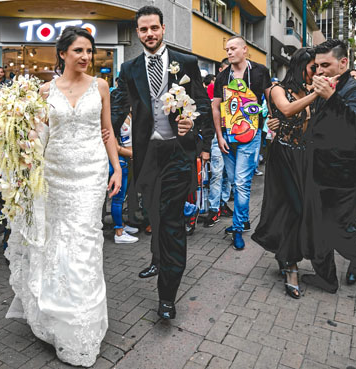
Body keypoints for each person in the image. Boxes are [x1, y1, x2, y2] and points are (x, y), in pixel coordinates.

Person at [4, 27, 122, 367]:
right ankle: (56, 319)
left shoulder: (100, 86)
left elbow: (107, 130)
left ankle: (83, 325)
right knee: (57, 242)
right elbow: (39, 137)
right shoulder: (44, 90)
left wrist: (115, 167)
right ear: (63, 53)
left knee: (84, 242)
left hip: (90, 173)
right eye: (79, 51)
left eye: (90, 51)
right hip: (55, 175)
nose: (86, 57)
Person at [111, 6, 213, 320]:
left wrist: (193, 129)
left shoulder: (187, 62)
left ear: (163, 28)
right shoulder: (129, 69)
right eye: (143, 30)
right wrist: (101, 141)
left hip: (176, 155)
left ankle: (167, 297)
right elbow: (117, 109)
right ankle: (157, 258)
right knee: (152, 214)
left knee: (171, 224)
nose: (149, 34)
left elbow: (203, 106)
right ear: (138, 33)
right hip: (146, 157)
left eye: (154, 28)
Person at [301, 39, 356, 293]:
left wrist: (331, 96)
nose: (319, 71)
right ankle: (327, 278)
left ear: (343, 63)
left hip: (345, 176)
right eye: (317, 66)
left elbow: (355, 127)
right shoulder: (321, 86)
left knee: (338, 230)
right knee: (317, 229)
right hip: (318, 170)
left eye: (326, 65)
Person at [252, 48, 319, 299]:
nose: (316, 72)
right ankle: (291, 267)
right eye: (313, 67)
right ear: (301, 66)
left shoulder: (311, 91)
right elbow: (287, 110)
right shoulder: (281, 89)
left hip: (305, 158)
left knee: (300, 211)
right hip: (284, 157)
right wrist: (316, 95)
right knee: (295, 209)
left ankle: (286, 255)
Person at [212, 35, 271, 250]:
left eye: (233, 48)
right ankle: (242, 220)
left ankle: (237, 229)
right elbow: (215, 107)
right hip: (228, 136)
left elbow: (269, 97)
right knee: (234, 182)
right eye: (227, 49)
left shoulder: (259, 71)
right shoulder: (222, 77)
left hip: (250, 134)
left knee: (242, 183)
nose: (229, 52)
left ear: (245, 50)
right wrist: (219, 135)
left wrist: (271, 124)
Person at [205, 59, 232, 228]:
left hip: (232, 136)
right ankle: (214, 209)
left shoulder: (238, 88)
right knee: (216, 173)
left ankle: (222, 204)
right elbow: (208, 119)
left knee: (228, 175)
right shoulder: (215, 89)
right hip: (216, 136)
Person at [111, 112, 140, 243]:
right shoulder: (115, 117)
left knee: (122, 197)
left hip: (129, 159)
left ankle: (121, 225)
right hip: (120, 160)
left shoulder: (131, 113)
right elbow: (115, 146)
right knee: (118, 197)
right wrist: (133, 153)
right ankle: (118, 232)